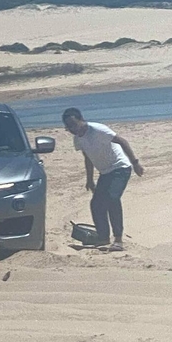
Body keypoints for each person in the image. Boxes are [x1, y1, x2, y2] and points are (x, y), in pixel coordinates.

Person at [62, 107, 144, 251]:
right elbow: (87, 157)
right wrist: (89, 179)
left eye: (74, 125)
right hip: (105, 172)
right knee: (96, 204)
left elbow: (122, 141)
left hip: (120, 167)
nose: (72, 129)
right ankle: (103, 237)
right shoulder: (78, 140)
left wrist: (135, 163)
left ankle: (118, 239)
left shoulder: (98, 130)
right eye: (68, 127)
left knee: (112, 198)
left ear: (81, 120)